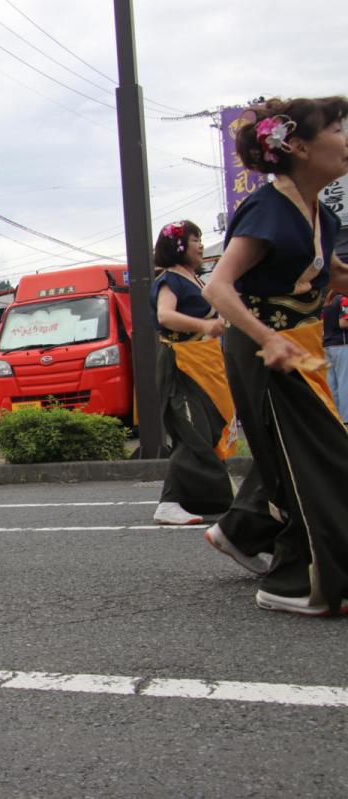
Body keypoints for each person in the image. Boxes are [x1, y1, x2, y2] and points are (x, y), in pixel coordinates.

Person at [201, 96, 348, 616]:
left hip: (298, 346)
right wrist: (267, 338)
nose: (346, 137)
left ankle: (252, 538)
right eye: (338, 128)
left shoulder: (318, 213)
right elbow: (218, 286)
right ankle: (293, 582)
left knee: (303, 459)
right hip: (266, 349)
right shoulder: (266, 207)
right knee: (323, 460)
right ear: (299, 147)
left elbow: (328, 274)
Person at [149, 220, 235, 526]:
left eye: (199, 239)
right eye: (194, 239)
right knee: (193, 432)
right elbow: (165, 315)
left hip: (205, 360)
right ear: (179, 247)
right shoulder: (171, 280)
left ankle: (197, 497)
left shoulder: (193, 279)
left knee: (210, 427)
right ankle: (169, 502)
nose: (200, 244)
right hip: (182, 363)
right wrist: (204, 326)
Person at [322, 291, 348, 420]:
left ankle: (335, 418)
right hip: (343, 346)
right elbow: (343, 322)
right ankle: (346, 419)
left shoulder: (328, 301)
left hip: (328, 345)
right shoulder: (345, 298)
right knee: (345, 384)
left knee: (332, 386)